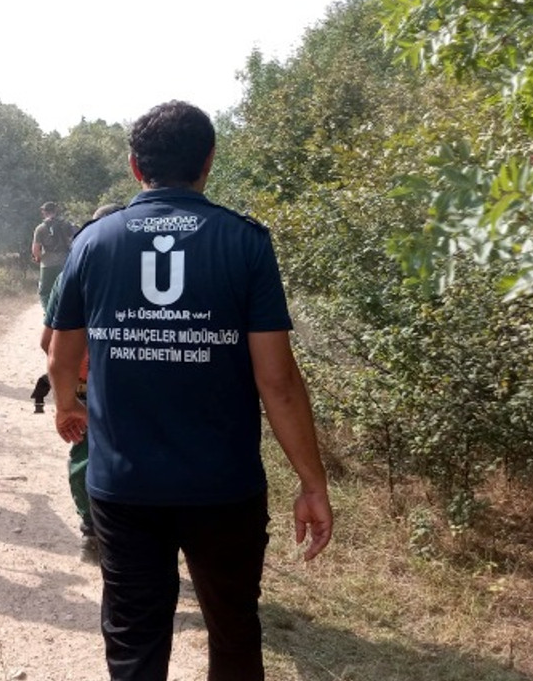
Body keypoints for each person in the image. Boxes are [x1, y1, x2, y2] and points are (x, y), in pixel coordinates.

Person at [47, 101, 333, 681]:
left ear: (135, 167)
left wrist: (67, 404)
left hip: (123, 487)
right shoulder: (246, 243)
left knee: (133, 640)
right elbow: (276, 380)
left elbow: (61, 353)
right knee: (232, 631)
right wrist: (311, 481)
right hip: (223, 488)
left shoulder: (93, 243)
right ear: (209, 162)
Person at [39, 202, 125, 564]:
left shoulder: (72, 273)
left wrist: (67, 395)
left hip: (87, 384)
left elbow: (48, 343)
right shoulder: (151, 269)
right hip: (139, 385)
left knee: (86, 454)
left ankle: (91, 531)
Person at [31, 201, 75, 314]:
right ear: (56, 211)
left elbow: (36, 249)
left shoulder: (40, 228)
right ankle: (65, 312)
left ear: (44, 212)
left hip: (48, 264)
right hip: (65, 262)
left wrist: (38, 258)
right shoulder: (67, 224)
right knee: (65, 289)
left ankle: (49, 313)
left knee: (45, 291)